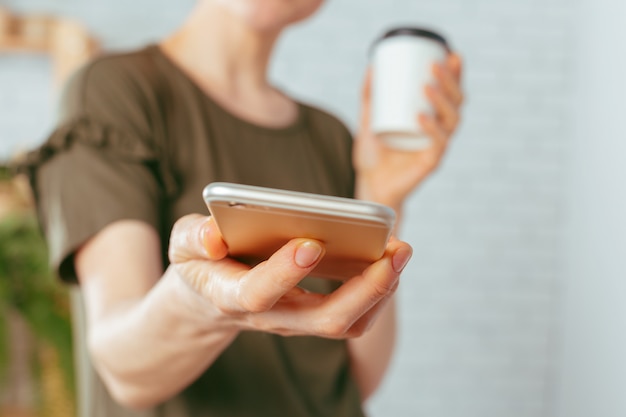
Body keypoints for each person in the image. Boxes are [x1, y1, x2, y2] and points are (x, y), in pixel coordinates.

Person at [21, 0, 464, 416]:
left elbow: (353, 381)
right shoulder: (117, 91)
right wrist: (204, 306)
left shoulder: (331, 138)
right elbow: (124, 370)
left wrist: (383, 195)